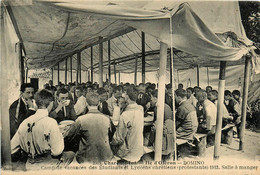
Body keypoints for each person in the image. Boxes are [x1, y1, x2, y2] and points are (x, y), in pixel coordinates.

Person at [11, 89, 64, 170]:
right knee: (70, 155)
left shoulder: (25, 122)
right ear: (51, 104)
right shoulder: (51, 122)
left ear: (36, 103)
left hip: (29, 165)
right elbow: (56, 152)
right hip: (47, 165)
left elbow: (12, 148)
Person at [64, 92, 113, 163]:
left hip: (87, 158)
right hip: (106, 157)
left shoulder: (81, 120)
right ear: (99, 103)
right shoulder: (107, 118)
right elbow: (111, 136)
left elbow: (68, 136)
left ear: (86, 104)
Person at [110, 86, 144, 163]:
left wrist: (110, 142)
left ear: (127, 96)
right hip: (138, 150)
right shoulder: (140, 109)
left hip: (127, 155)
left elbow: (119, 138)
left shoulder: (125, 115)